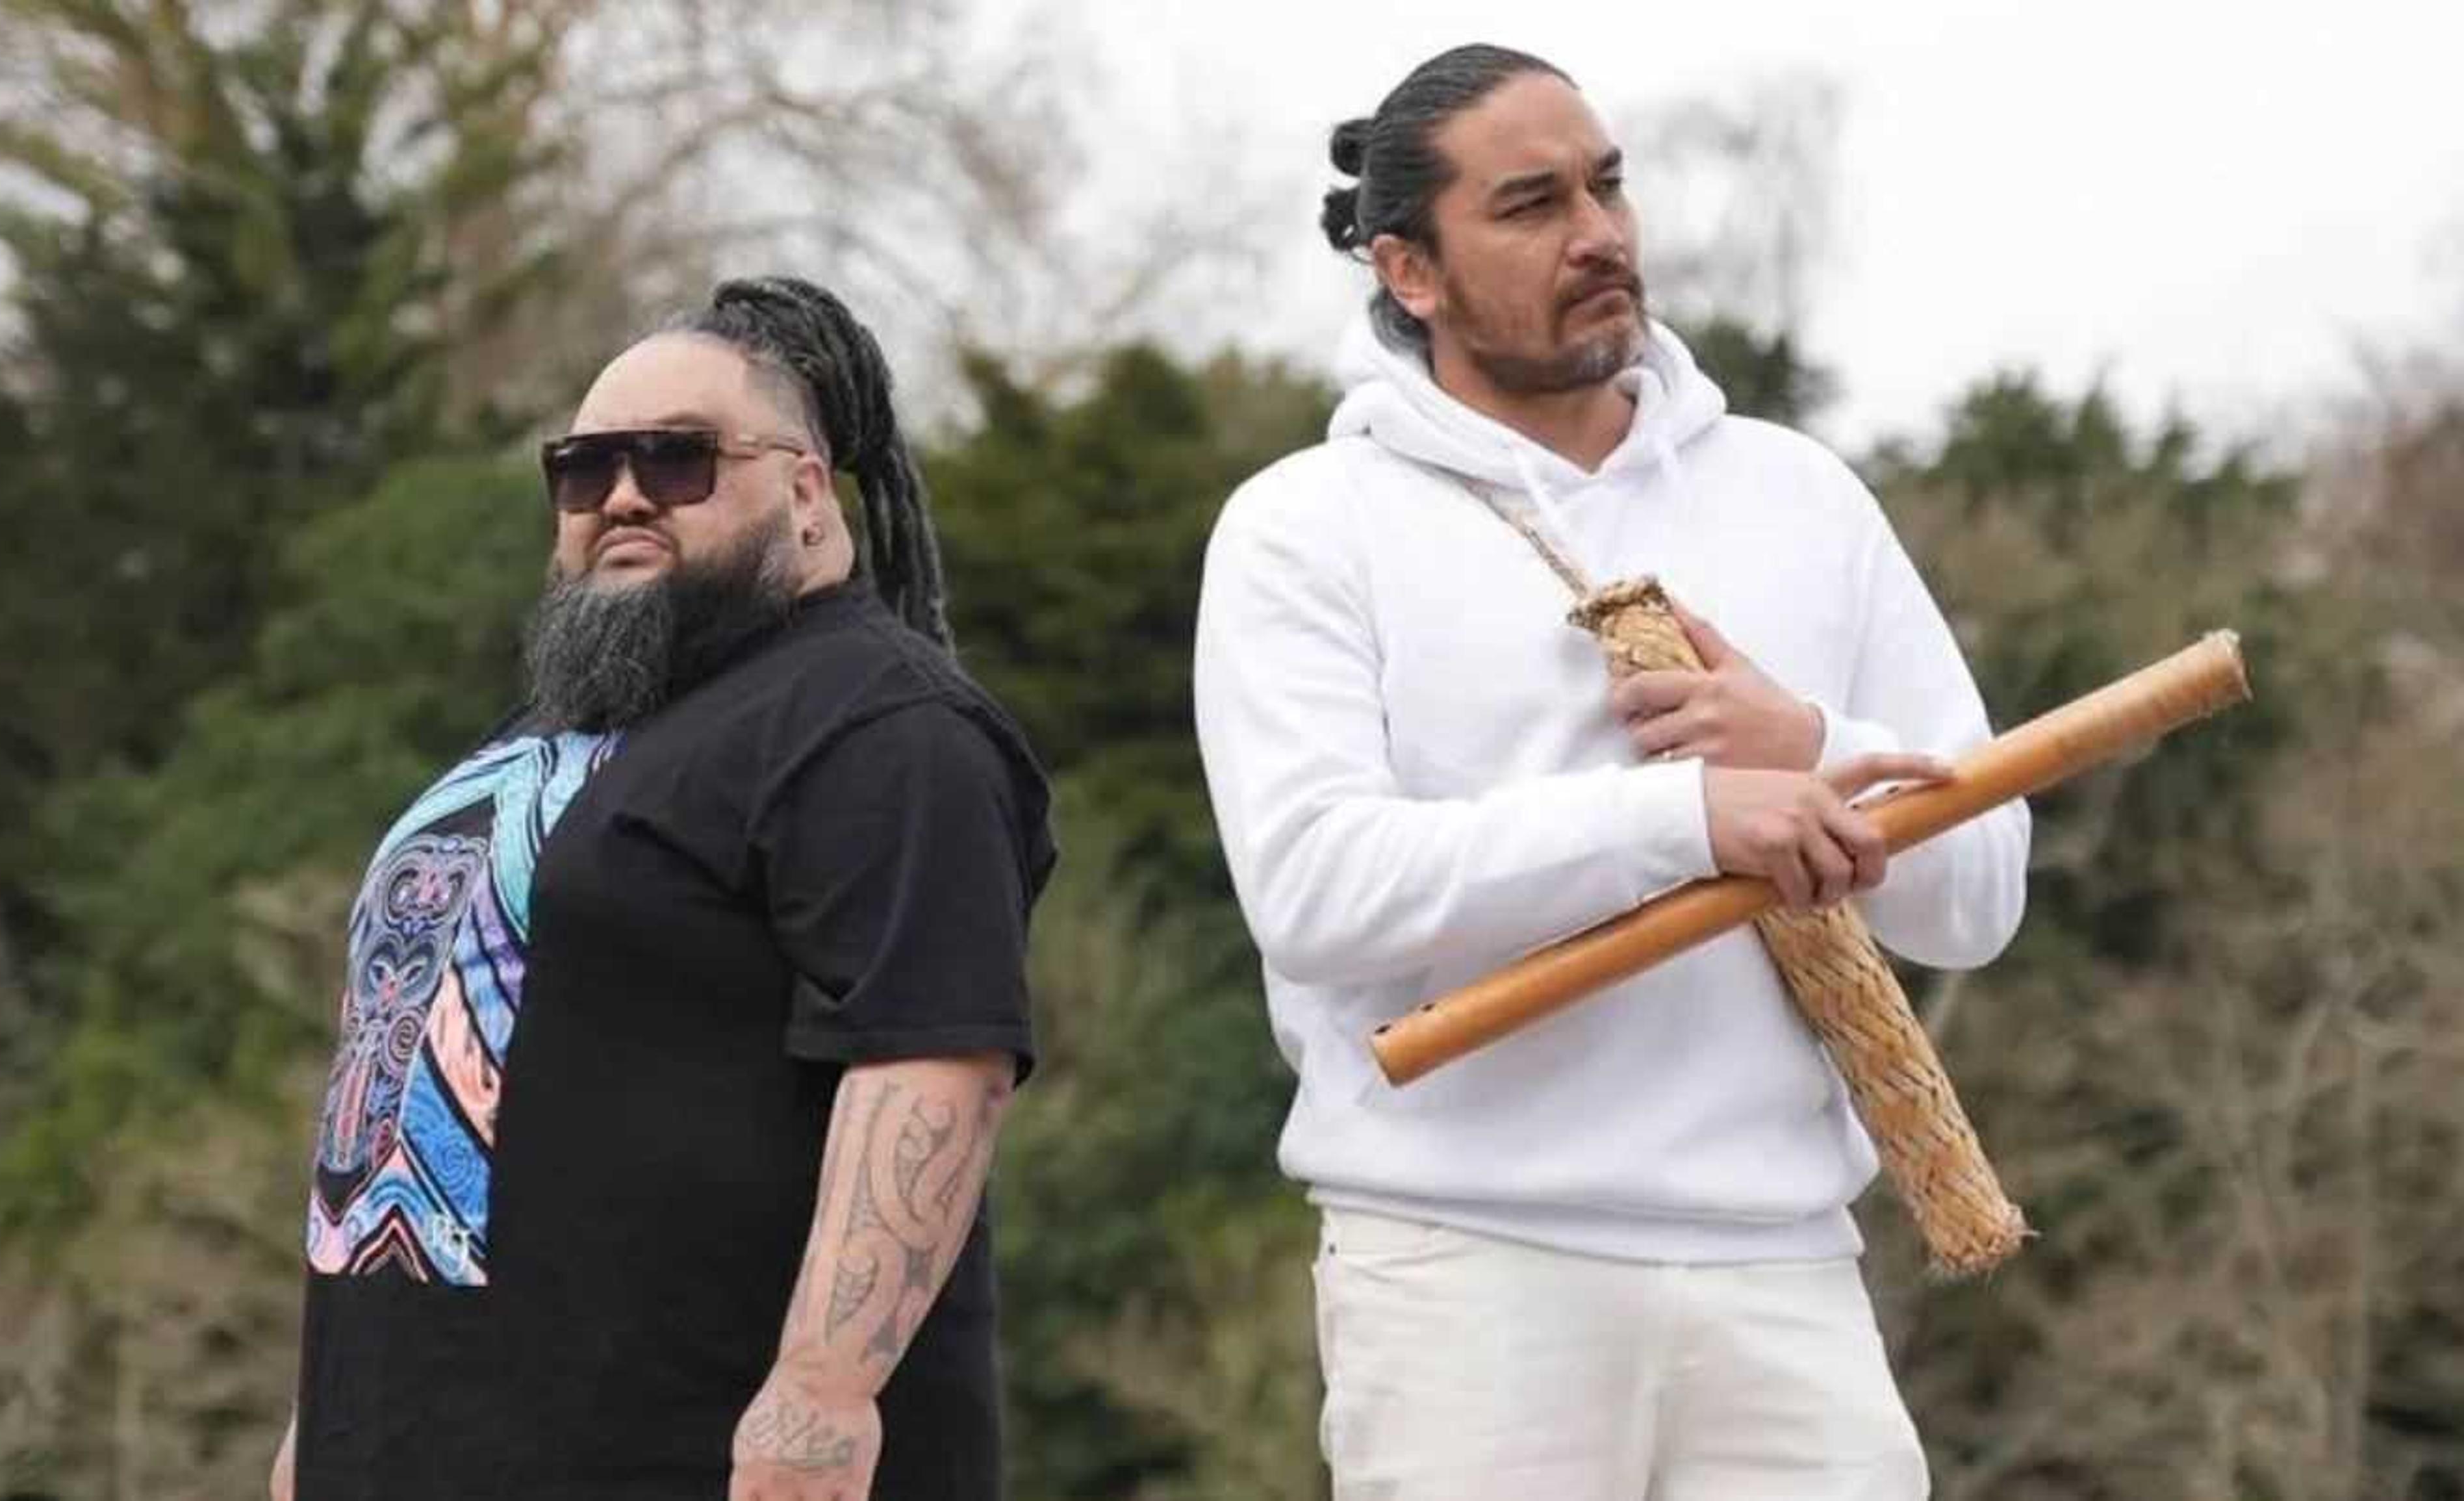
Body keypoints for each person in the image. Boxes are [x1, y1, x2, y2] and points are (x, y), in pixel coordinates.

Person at [1192, 44, 2030, 1501]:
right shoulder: (1304, 526)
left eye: (1608, 186)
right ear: (1409, 270)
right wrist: (1686, 818)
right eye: (1531, 205)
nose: (1597, 234)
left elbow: (1979, 902)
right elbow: (1318, 893)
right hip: (1465, 1280)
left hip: (1786, 1273)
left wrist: (1809, 747)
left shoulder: (1802, 494)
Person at [270, 276, 1054, 1501]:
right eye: (584, 469)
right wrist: (320, 1424)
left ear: (808, 492)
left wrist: (823, 1395)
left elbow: (933, 1059)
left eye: (679, 458)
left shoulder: (879, 723)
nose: (625, 493)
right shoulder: (542, 739)